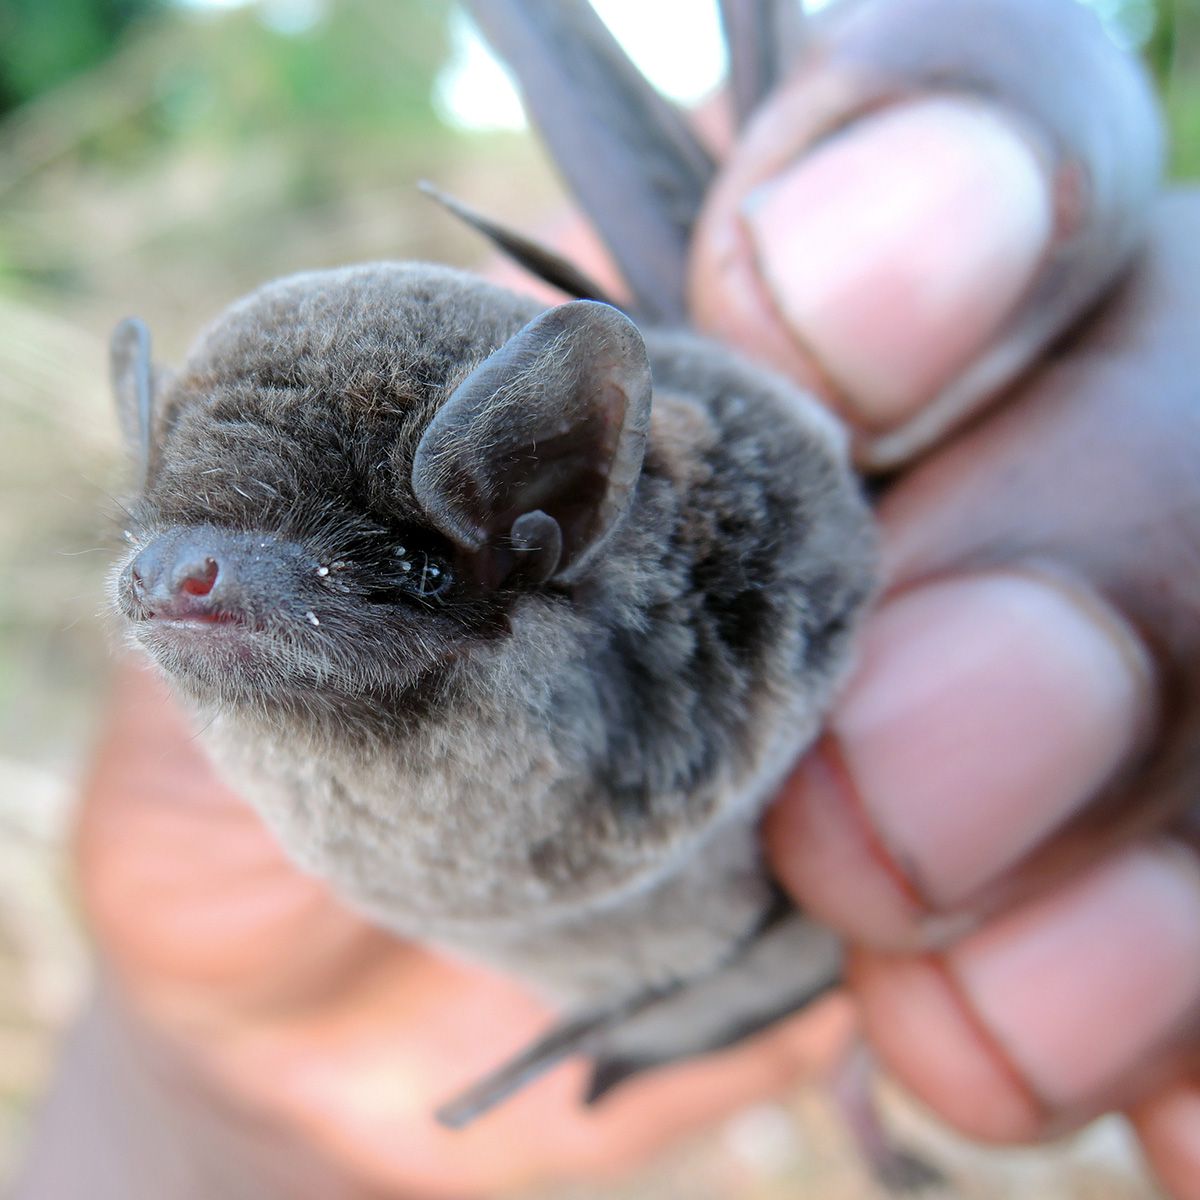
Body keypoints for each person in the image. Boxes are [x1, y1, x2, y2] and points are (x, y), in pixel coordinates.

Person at [13, 0, 1200, 1196]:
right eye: (171, 528)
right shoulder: (266, 885)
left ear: (543, 516)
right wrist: (196, 1092)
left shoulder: (771, 569)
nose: (179, 583)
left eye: (385, 557)